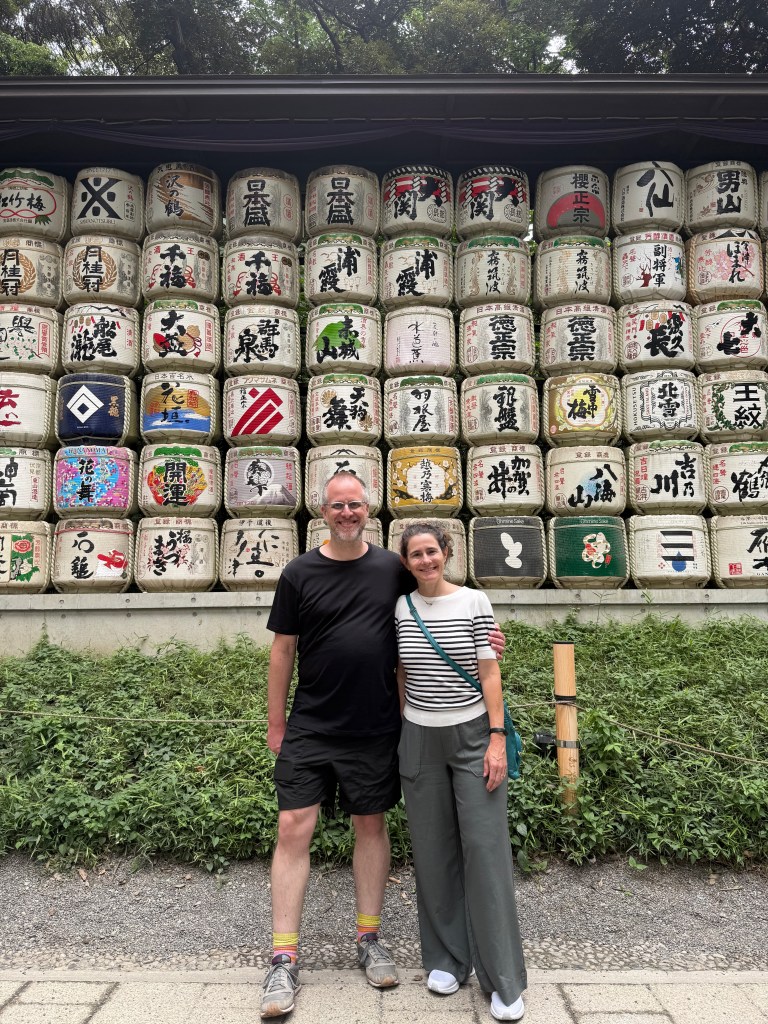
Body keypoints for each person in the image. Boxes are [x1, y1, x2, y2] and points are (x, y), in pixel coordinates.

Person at [261, 472, 505, 1018]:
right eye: (337, 505)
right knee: (291, 827)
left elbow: (435, 598)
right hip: (311, 725)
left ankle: (368, 939)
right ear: (321, 511)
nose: (347, 513)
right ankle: (283, 957)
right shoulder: (299, 573)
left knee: (370, 825)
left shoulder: (390, 568)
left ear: (368, 510)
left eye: (356, 504)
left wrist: (483, 636)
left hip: (376, 727)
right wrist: (276, 724)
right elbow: (282, 651)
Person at [395, 521, 527, 1022]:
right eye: (415, 555)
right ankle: (448, 959)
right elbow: (400, 673)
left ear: (447, 553)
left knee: (486, 851)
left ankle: (505, 980)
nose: (425, 561)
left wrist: (496, 739)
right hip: (419, 736)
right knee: (431, 852)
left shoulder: (475, 602)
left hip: (474, 735)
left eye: (432, 551)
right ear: (405, 562)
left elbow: (489, 671)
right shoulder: (400, 608)